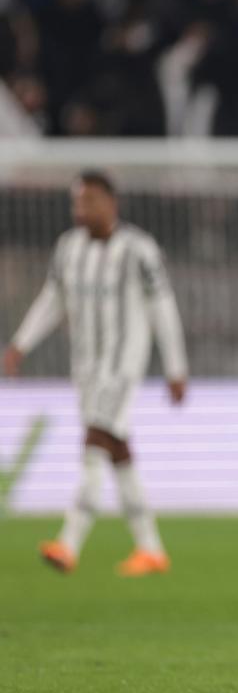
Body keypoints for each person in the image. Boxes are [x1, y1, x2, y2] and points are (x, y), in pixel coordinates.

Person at [3, 170, 188, 577]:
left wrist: (176, 368)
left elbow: (163, 309)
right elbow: (53, 300)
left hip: (122, 365)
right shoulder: (68, 249)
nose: (79, 210)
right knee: (118, 450)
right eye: (76, 202)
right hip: (85, 366)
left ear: (110, 202)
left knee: (95, 441)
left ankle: (68, 543)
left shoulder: (139, 250)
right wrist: (20, 343)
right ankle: (151, 548)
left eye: (86, 201)